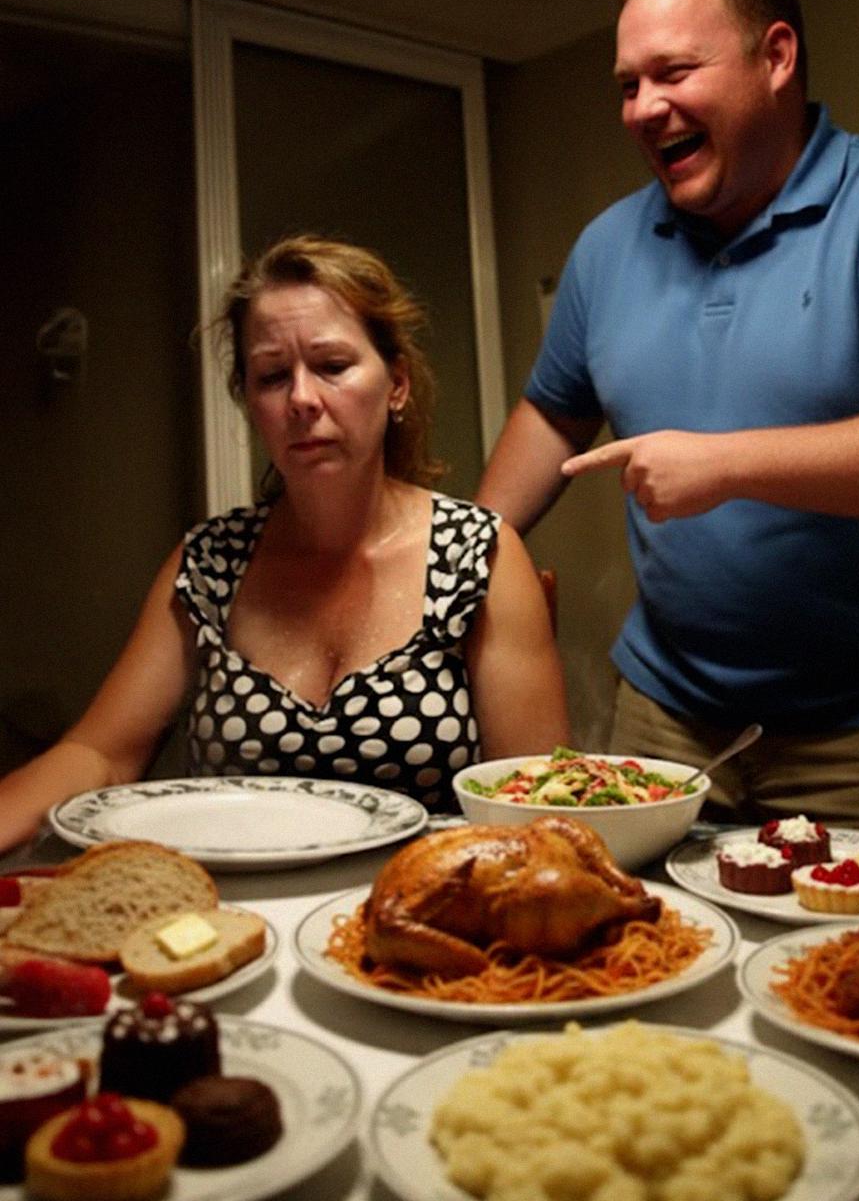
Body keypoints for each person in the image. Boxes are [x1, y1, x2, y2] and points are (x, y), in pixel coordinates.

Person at [476, 0, 859, 857]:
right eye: (628, 85)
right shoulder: (606, 248)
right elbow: (554, 410)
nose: (643, 108)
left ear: (775, 57)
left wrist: (727, 464)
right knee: (644, 942)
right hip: (664, 719)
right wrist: (458, 557)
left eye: (673, 72)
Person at [0, 235, 570, 852]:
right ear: (250, 403)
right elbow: (99, 754)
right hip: (239, 903)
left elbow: (535, 806)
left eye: (333, 366)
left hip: (424, 901)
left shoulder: (479, 556)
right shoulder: (209, 563)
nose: (301, 399)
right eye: (273, 376)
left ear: (397, 384)